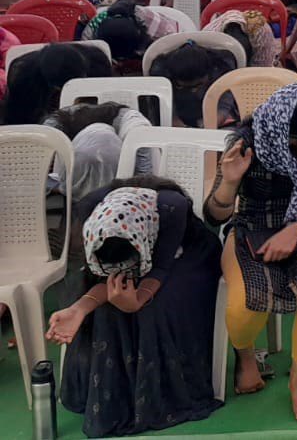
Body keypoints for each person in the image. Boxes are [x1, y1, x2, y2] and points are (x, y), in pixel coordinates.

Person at [204, 84, 297, 421]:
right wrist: (229, 182)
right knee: (244, 306)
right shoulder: (244, 143)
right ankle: (247, 356)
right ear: (278, 128)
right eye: (296, 139)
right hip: (252, 225)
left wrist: (295, 229)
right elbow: (213, 215)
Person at [48, 177, 223, 437]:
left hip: (187, 253)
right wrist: (80, 309)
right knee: (106, 310)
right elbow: (106, 281)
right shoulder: (92, 216)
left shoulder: (171, 207)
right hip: (130, 249)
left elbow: (161, 267)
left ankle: (158, 391)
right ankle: (124, 394)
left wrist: (137, 300)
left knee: (155, 307)